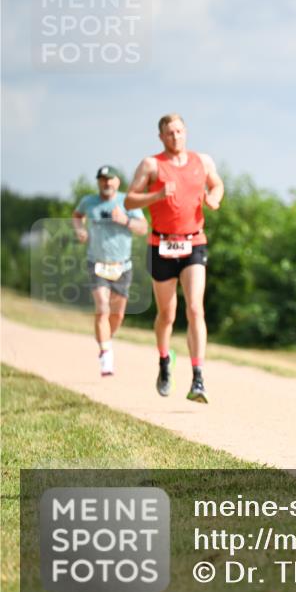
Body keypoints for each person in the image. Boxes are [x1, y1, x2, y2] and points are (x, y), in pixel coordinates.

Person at [125, 114, 224, 403]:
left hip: (194, 242)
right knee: (167, 314)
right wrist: (154, 196)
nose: (175, 137)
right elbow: (130, 200)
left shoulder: (202, 161)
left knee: (195, 308)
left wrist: (214, 198)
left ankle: (198, 377)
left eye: (179, 131)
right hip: (162, 245)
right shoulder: (151, 165)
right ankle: (165, 360)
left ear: (186, 132)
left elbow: (217, 185)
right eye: (169, 133)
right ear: (161, 137)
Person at [72, 165, 148, 376]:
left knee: (117, 315)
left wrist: (125, 220)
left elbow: (143, 228)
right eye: (102, 179)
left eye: (110, 179)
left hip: (122, 266)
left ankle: (106, 338)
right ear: (98, 182)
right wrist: (79, 230)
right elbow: (77, 215)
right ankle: (106, 355)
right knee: (103, 307)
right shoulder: (89, 202)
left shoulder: (128, 202)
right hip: (96, 263)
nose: (106, 183)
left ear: (117, 182)